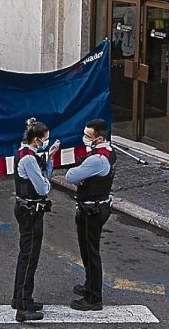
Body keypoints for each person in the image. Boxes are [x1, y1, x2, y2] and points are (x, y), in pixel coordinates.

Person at [64, 118, 115, 312]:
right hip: (97, 206)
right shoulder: (108, 152)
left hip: (91, 210)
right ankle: (89, 285)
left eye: (88, 136)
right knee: (87, 250)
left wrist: (76, 169)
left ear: (99, 138)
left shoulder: (96, 159)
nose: (84, 138)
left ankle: (94, 298)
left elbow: (70, 176)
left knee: (90, 252)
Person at [12, 118, 59, 323]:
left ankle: (19, 298)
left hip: (27, 209)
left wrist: (49, 159)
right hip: (31, 211)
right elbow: (43, 188)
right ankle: (24, 305)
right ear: (36, 140)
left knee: (26, 255)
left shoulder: (25, 152)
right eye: (45, 139)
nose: (47, 142)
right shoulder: (29, 160)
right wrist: (47, 174)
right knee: (30, 258)